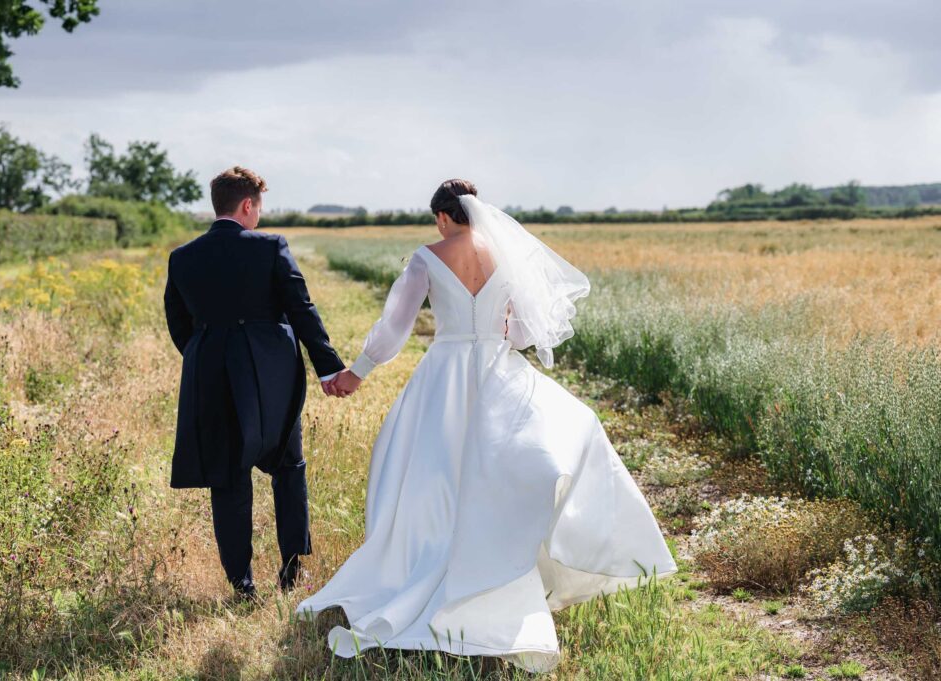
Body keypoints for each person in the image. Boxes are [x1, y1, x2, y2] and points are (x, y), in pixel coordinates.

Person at [298, 179, 677, 672]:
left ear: (441, 216)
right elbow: (521, 331)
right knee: (503, 469)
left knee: (428, 473)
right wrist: (500, 333)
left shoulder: (427, 257)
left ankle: (424, 565)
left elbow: (395, 328)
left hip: (445, 373)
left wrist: (357, 373)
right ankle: (497, 569)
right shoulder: (506, 256)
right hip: (500, 372)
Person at [163, 166, 346, 598]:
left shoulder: (183, 256)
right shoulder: (270, 248)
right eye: (258, 208)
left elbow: (178, 325)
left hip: (210, 373)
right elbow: (302, 309)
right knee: (288, 467)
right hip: (272, 376)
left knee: (228, 476)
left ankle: (241, 582)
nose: (259, 217)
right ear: (247, 205)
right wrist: (329, 368)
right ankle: (291, 569)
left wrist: (207, 356)